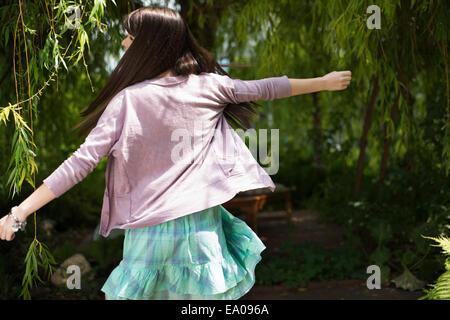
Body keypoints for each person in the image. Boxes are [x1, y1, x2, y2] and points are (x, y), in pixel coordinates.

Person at [0, 6, 351, 300]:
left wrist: (19, 212)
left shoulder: (127, 102)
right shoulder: (210, 86)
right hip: (201, 233)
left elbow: (80, 164)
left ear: (149, 45)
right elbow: (268, 87)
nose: (123, 43)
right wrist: (324, 81)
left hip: (149, 240)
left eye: (131, 37)